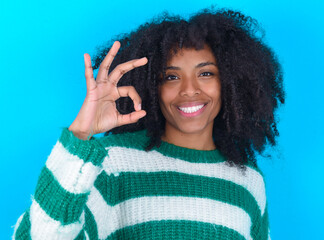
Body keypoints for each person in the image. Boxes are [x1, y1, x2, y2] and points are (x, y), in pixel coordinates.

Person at [13, 7, 284, 240]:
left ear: (231, 82)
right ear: (152, 87)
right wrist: (80, 134)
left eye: (205, 73)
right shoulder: (112, 163)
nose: (190, 90)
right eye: (171, 77)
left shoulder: (248, 180)